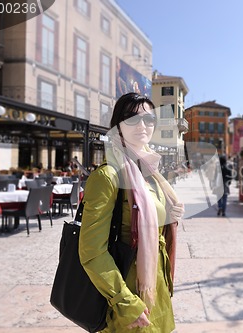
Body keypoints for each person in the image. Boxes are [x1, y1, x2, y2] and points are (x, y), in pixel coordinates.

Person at [79, 93, 184, 332]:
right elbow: (92, 251)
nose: (142, 126)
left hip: (156, 286)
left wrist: (170, 213)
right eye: (133, 119)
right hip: (127, 294)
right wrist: (126, 303)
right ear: (118, 125)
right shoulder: (107, 176)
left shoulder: (151, 173)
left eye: (148, 119)